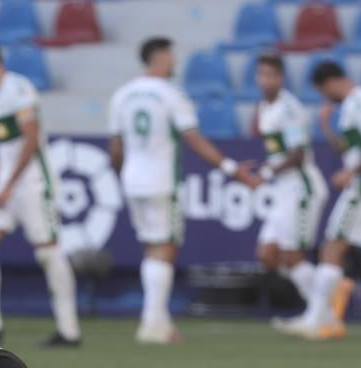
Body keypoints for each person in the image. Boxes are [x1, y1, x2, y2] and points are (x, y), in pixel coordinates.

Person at [108, 37, 262, 344]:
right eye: (171, 55)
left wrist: (125, 173)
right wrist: (231, 168)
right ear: (160, 57)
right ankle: (152, 323)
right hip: (163, 179)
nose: (174, 61)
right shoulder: (171, 94)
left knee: (152, 247)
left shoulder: (121, 95)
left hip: (133, 179)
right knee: (166, 247)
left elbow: (115, 148)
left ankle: (158, 320)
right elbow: (193, 139)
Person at [0, 41, 81, 348]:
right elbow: (12, 144)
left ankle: (69, 330)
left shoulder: (18, 88)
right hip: (11, 181)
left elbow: (32, 138)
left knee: (47, 251)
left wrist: (10, 180)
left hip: (34, 183)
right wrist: (1, 167)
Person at [274, 61, 361, 341]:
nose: (324, 97)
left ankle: (316, 318)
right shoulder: (350, 107)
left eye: (323, 91)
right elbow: (349, 149)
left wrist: (352, 172)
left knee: (333, 246)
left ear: (331, 82)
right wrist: (325, 125)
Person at [253, 54, 328, 307]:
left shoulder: (290, 109)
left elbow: (298, 154)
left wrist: (267, 172)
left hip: (301, 187)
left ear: (280, 78)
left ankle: (321, 311)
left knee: (292, 253)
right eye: (261, 74)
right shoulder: (265, 107)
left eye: (270, 75)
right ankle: (325, 293)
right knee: (268, 253)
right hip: (283, 189)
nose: (265, 80)